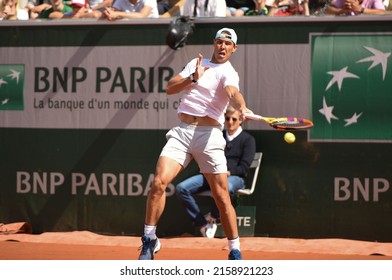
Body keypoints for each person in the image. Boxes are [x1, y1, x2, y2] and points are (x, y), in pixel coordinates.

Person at [138, 28, 253, 261]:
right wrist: (193, 78)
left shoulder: (229, 73)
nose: (222, 46)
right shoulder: (196, 64)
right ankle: (149, 240)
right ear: (214, 43)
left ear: (234, 49)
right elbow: (170, 88)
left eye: (227, 44)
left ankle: (234, 249)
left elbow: (233, 93)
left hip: (209, 136)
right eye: (219, 42)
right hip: (182, 132)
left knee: (221, 197)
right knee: (159, 183)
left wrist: (241, 107)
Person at [175, 105, 256, 238]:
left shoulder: (248, 140)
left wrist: (227, 172)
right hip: (210, 175)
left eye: (234, 119)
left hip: (234, 178)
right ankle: (202, 224)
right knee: (181, 188)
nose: (230, 122)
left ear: (241, 120)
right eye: (227, 118)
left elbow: (244, 168)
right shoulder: (218, 135)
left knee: (227, 187)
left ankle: (213, 216)